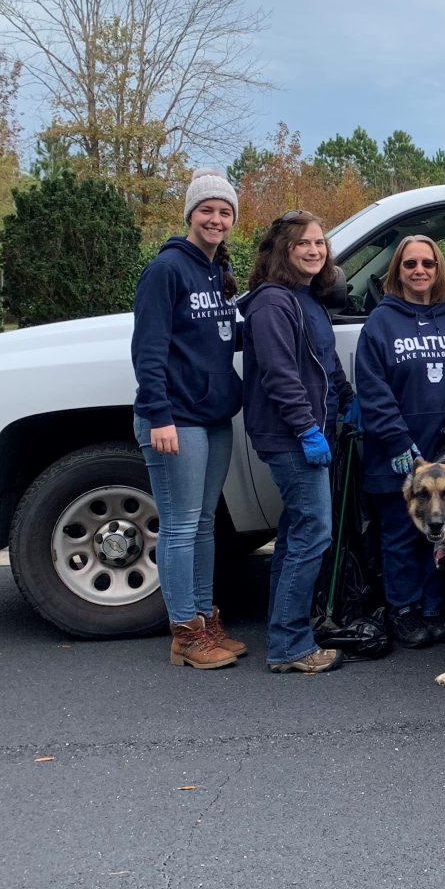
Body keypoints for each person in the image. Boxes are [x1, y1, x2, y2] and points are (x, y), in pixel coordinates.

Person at [131, 168, 244, 670]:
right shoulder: (167, 271)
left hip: (213, 416)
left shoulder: (216, 272)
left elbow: (223, 337)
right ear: (190, 215)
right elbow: (148, 350)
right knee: (179, 527)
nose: (216, 219)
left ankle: (205, 619)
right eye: (207, 210)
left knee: (203, 526)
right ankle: (184, 634)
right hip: (176, 418)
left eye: (224, 212)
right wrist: (159, 415)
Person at [355, 234, 445, 649]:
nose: (419, 271)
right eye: (410, 264)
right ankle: (405, 611)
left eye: (427, 264)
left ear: (438, 269)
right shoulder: (381, 321)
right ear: (397, 270)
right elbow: (372, 389)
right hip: (396, 454)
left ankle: (434, 607)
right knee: (399, 536)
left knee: (443, 531)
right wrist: (398, 443)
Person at [240, 210, 354, 674]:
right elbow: (280, 374)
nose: (314, 250)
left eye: (320, 243)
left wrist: (347, 400)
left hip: (314, 431)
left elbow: (323, 363)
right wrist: (306, 429)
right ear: (281, 251)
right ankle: (290, 644)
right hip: (290, 437)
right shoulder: (272, 302)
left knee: (295, 534)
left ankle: (285, 628)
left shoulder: (307, 299)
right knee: (313, 534)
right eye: (302, 243)